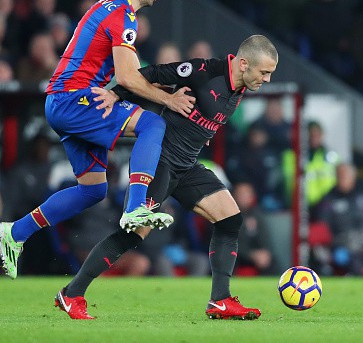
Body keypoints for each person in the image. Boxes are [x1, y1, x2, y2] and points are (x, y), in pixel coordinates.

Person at [0, 0, 195, 279]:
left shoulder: (111, 7)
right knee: (153, 124)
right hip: (76, 98)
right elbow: (129, 77)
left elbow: (127, 77)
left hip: (65, 101)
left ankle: (15, 233)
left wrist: (150, 91)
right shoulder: (122, 15)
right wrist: (169, 100)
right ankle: (135, 208)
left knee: (93, 190)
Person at [53, 34, 278, 320]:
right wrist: (115, 94)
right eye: (264, 73)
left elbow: (202, 116)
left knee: (231, 219)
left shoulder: (241, 86)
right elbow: (152, 74)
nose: (267, 79)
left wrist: (201, 132)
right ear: (244, 64)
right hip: (158, 162)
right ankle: (72, 293)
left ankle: (220, 300)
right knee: (133, 234)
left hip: (186, 166)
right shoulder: (204, 71)